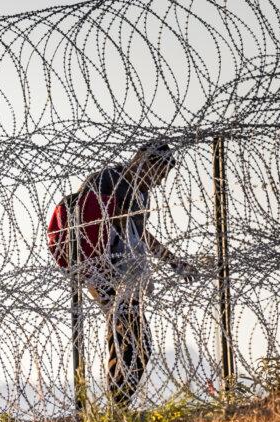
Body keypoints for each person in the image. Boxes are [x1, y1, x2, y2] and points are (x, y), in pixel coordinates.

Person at [76, 143, 198, 406]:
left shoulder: (141, 195)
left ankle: (119, 403)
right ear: (143, 161)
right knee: (128, 333)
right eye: (158, 174)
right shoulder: (106, 180)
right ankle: (118, 404)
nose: (158, 183)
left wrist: (173, 261)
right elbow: (84, 225)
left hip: (127, 274)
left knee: (135, 339)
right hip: (102, 270)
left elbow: (140, 235)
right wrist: (102, 268)